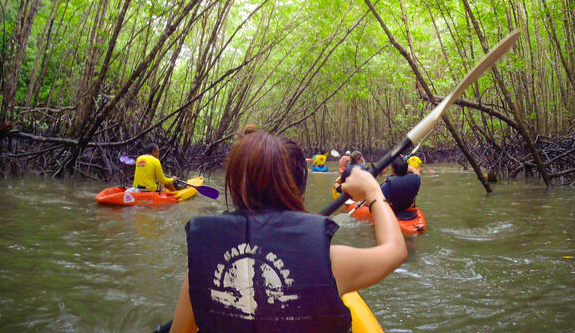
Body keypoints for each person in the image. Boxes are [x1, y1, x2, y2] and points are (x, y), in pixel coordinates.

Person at [169, 125, 406, 333]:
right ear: (300, 190)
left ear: (234, 188)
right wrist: (373, 192)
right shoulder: (331, 262)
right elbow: (395, 250)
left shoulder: (203, 261)